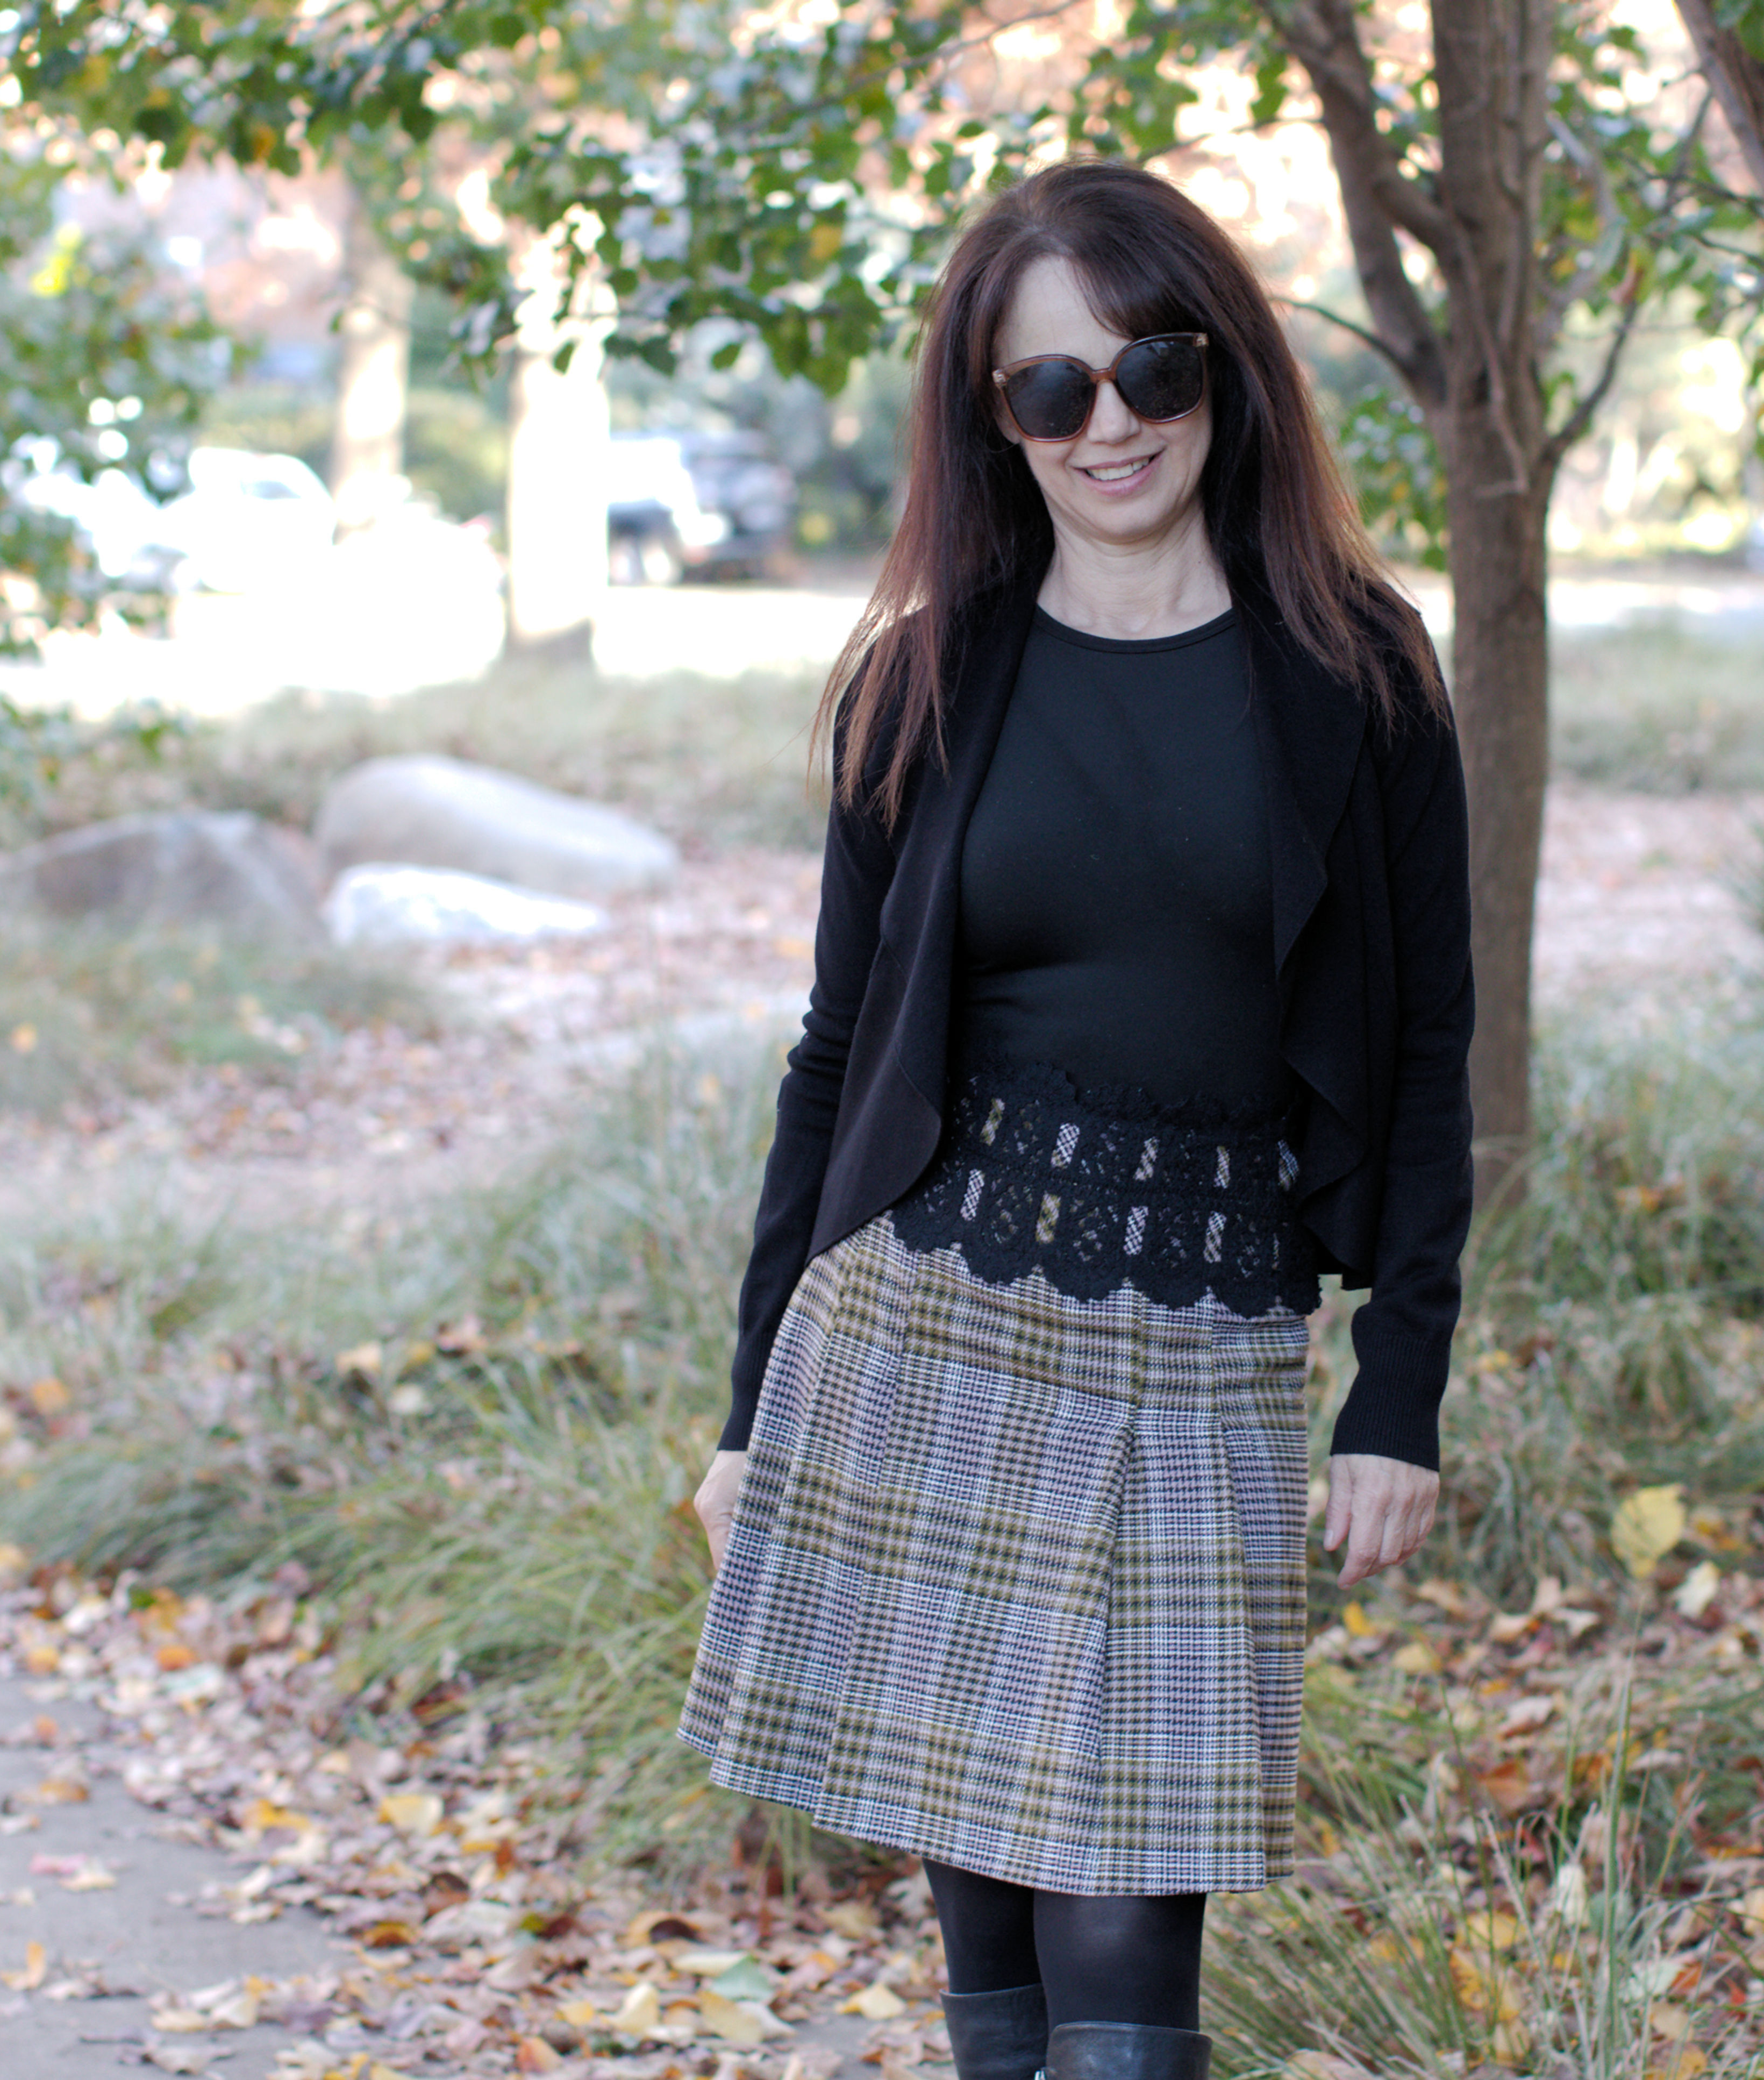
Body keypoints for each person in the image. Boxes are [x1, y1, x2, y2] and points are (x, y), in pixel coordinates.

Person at [678, 160, 1473, 2080]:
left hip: (1206, 1347)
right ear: (990, 418)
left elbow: (1434, 1047)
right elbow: (832, 1057)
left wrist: (1399, 1390)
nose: (1109, 424)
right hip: (932, 1334)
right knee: (997, 1945)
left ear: (1229, 372)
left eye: (1151, 368)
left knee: (1130, 1931)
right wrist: (741, 1410)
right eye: (1051, 391)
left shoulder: (1357, 677)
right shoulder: (927, 682)